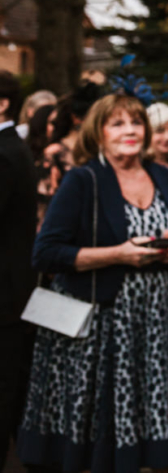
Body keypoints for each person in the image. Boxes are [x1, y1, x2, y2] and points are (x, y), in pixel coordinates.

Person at [18, 93, 168, 473]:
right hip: (101, 333)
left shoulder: (165, 177)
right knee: (106, 442)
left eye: (136, 123)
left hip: (159, 332)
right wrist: (118, 254)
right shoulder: (83, 180)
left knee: (167, 441)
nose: (130, 131)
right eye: (118, 123)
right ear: (99, 133)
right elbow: (45, 253)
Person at [0, 72, 38, 466]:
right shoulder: (12, 146)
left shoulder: (4, 151)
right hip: (13, 290)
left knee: (6, 392)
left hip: (6, 296)